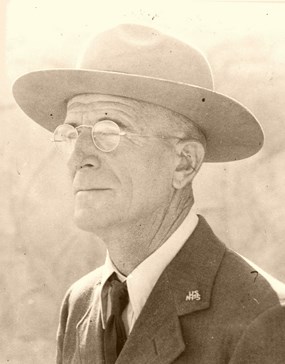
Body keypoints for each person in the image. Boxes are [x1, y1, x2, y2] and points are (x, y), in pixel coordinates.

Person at [12, 24, 285, 364]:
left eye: (108, 131)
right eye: (69, 134)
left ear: (184, 163)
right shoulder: (80, 303)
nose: (79, 156)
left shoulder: (262, 318)